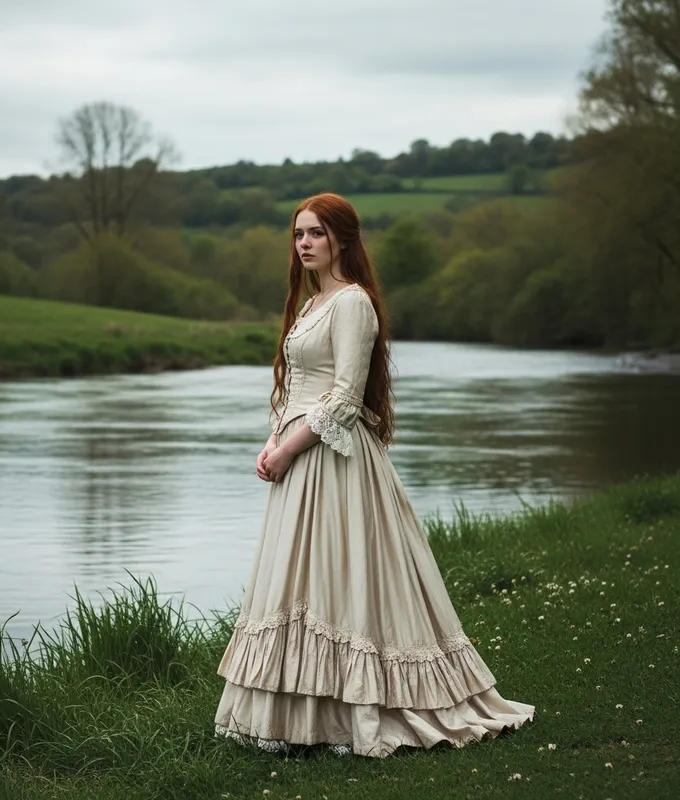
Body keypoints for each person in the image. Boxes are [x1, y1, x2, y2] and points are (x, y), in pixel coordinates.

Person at [214, 192, 534, 757]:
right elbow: (292, 387)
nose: (304, 244)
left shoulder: (352, 303)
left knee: (346, 577)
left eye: (314, 234)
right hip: (298, 455)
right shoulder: (311, 304)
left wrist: (289, 449)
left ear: (342, 239)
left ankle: (354, 713)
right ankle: (295, 717)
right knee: (298, 582)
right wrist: (272, 440)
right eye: (298, 235)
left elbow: (343, 396)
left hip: (335, 460)